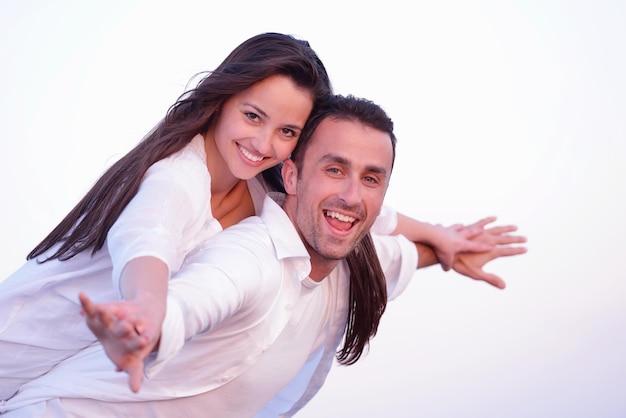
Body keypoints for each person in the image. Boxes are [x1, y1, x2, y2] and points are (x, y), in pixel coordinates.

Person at [0, 33, 497, 399]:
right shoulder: (176, 176)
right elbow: (147, 240)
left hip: (76, 364)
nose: (262, 144)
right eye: (253, 116)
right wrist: (149, 309)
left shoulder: (264, 181)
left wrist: (440, 237)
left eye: (286, 131)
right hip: (14, 345)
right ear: (221, 101)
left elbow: (363, 208)